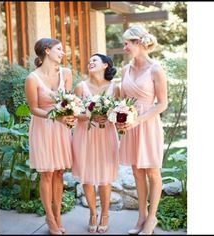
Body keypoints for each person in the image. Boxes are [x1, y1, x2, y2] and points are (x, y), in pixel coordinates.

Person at [117, 25, 168, 235]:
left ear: (138, 43)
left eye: (126, 43)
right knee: (137, 172)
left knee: (153, 173)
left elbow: (162, 103)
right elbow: (122, 100)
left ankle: (152, 218)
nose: (124, 47)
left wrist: (139, 120)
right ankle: (141, 217)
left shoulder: (155, 69)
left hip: (148, 125)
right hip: (131, 126)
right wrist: (119, 116)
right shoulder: (125, 70)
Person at [25, 38, 75, 235]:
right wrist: (57, 117)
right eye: (59, 49)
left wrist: (69, 116)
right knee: (47, 173)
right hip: (43, 127)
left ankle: (58, 215)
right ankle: (50, 218)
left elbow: (68, 102)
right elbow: (33, 108)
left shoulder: (66, 73)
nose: (63, 53)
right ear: (47, 51)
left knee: (60, 172)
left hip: (61, 129)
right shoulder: (32, 78)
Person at [72, 54, 120, 233]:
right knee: (87, 176)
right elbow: (75, 113)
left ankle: (105, 214)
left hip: (106, 134)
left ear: (105, 65)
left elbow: (120, 112)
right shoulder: (80, 87)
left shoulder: (115, 88)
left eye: (95, 60)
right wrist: (90, 115)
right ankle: (92, 213)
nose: (90, 62)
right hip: (85, 134)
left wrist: (110, 116)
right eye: (89, 60)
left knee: (105, 178)